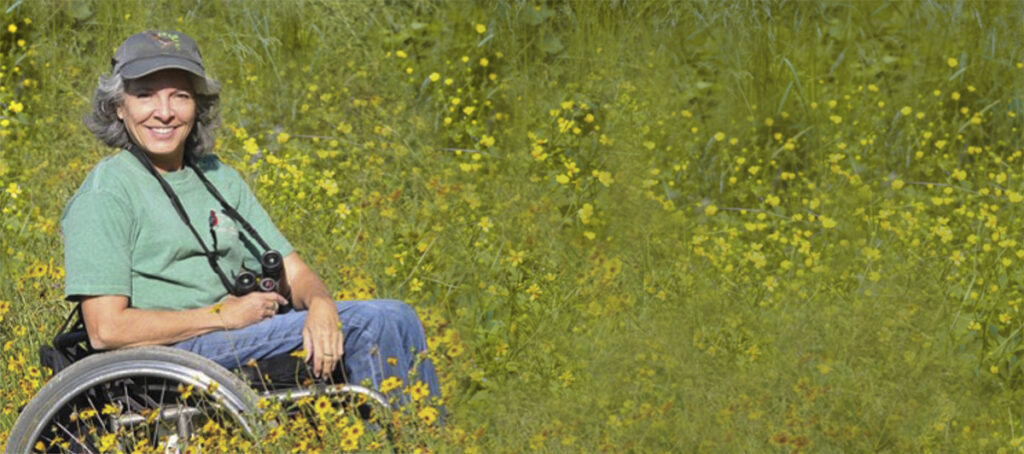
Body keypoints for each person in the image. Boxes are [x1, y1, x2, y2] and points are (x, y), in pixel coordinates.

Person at [63, 30, 441, 409]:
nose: (164, 111)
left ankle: (419, 439)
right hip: (173, 355)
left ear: (198, 105)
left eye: (180, 95)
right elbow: (105, 329)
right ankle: (398, 438)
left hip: (234, 335)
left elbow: (292, 270)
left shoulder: (216, 176)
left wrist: (322, 304)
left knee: (400, 315)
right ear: (118, 106)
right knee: (373, 323)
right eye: (145, 94)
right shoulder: (108, 191)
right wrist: (220, 316)